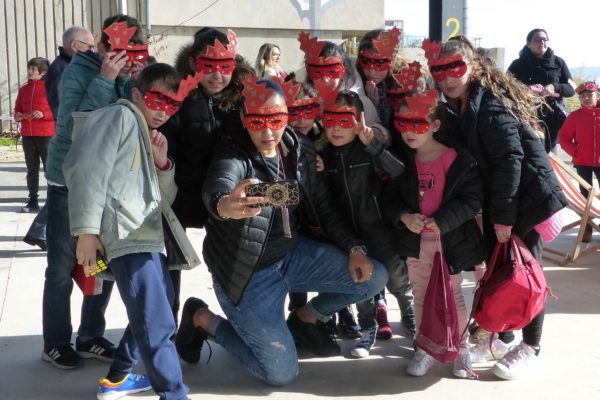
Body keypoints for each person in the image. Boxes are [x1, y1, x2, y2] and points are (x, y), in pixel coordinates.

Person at [175, 77, 388, 385]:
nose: (267, 131)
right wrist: (224, 205)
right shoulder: (233, 151)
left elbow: (325, 209)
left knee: (375, 275)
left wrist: (355, 248)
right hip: (247, 276)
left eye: (275, 119)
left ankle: (307, 317)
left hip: (293, 257)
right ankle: (201, 319)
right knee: (281, 373)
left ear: (286, 117)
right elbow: (220, 183)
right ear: (243, 118)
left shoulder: (298, 150)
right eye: (256, 120)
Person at [428, 36, 567, 380]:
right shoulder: (460, 104)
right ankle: (504, 337)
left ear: (472, 67)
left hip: (526, 200)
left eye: (455, 67)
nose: (447, 76)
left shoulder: (489, 103)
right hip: (503, 199)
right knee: (501, 270)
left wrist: (503, 218)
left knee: (525, 275)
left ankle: (531, 347)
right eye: (439, 70)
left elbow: (510, 160)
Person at [64, 63, 195, 400]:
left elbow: (161, 198)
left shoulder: (144, 132)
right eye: (157, 100)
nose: (163, 110)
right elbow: (85, 170)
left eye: (172, 105)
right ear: (137, 94)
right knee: (158, 323)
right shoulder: (118, 118)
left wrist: (162, 162)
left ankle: (118, 376)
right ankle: (174, 394)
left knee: (160, 306)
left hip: (144, 233)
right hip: (127, 236)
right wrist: (87, 231)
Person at [42, 14, 145, 370]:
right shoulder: (77, 71)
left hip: (109, 184)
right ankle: (55, 341)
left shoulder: (134, 72)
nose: (127, 56)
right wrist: (106, 78)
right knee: (61, 266)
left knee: (103, 264)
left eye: (136, 50)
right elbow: (73, 123)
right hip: (68, 182)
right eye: (118, 48)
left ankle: (90, 334)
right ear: (101, 46)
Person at [384, 89, 484, 378]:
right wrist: (404, 217)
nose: (409, 132)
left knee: (454, 296)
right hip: (416, 244)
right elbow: (389, 198)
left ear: (436, 125)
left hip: (449, 243)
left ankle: (462, 349)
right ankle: (425, 347)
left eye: (418, 124)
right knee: (420, 294)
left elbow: (472, 198)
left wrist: (443, 220)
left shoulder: (457, 160)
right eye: (403, 124)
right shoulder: (402, 162)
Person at [317, 85, 416, 357]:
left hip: (380, 229)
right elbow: (327, 201)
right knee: (362, 284)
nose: (337, 129)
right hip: (349, 235)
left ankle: (412, 322)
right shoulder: (325, 156)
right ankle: (367, 329)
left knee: (398, 282)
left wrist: (371, 145)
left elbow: (398, 171)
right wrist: (323, 172)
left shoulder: (366, 149)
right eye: (330, 120)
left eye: (345, 121)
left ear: (358, 121)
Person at [162, 28, 243, 325]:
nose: (217, 75)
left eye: (225, 67)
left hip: (224, 195)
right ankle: (167, 323)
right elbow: (165, 144)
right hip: (181, 194)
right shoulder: (178, 96)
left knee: (232, 260)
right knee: (170, 263)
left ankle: (237, 321)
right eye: (208, 66)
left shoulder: (241, 99)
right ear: (195, 64)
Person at [21, 26, 95, 252]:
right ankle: (41, 231)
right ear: (75, 45)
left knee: (66, 190)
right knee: (63, 189)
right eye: (89, 47)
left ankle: (39, 231)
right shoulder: (64, 68)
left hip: (70, 137)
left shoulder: (67, 66)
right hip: (68, 138)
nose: (92, 52)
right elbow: (63, 108)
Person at [507, 28, 575, 152]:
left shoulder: (559, 63)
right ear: (528, 44)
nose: (542, 42)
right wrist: (526, 90)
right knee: (530, 154)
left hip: (552, 121)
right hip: (527, 117)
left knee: (550, 158)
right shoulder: (517, 65)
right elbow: (505, 88)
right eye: (537, 39)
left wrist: (555, 86)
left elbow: (571, 89)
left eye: (545, 39)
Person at [298, 31, 381, 126]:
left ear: (343, 71)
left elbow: (379, 133)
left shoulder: (361, 102)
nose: (325, 79)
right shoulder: (302, 102)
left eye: (332, 72)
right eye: (317, 72)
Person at [559, 81, 600, 242]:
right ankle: (587, 227)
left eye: (589, 95)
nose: (586, 98)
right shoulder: (574, 117)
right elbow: (564, 139)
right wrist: (576, 152)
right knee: (584, 196)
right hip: (582, 162)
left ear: (597, 95)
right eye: (582, 96)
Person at [13, 58, 55, 216]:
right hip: (28, 135)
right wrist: (17, 115)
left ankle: (53, 201)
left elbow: (58, 110)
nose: (30, 71)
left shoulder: (51, 88)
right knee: (32, 170)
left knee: (50, 169)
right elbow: (17, 108)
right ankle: (33, 201)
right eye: (29, 68)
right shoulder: (23, 89)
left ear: (43, 71)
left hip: (46, 135)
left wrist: (44, 114)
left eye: (33, 69)